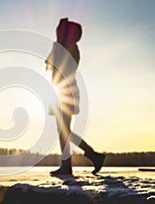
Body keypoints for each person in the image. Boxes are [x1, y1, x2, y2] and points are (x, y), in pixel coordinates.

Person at [45, 18, 105, 175]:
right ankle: (86, 158)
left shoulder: (66, 48)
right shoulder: (66, 48)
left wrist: (53, 53)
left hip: (65, 93)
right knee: (64, 130)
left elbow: (60, 63)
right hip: (62, 92)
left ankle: (87, 158)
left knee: (64, 130)